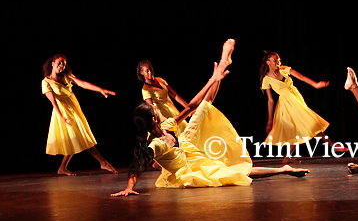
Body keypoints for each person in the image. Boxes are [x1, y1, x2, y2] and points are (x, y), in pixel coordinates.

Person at [112, 40, 309, 196]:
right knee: (236, 171)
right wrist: (129, 186)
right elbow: (137, 165)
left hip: (190, 148)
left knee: (204, 106)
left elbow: (191, 107)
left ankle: (221, 67)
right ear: (154, 120)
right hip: (191, 170)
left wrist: (213, 79)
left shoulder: (167, 124)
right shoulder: (155, 143)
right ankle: (284, 169)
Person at [260, 51, 346, 161]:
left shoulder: (284, 69)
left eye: (279, 60)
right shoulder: (266, 79)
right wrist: (269, 120)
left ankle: (287, 157)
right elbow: (270, 100)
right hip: (286, 104)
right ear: (268, 62)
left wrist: (315, 84)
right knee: (307, 124)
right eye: (275, 60)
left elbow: (301, 77)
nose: (278, 62)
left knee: (301, 127)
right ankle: (332, 145)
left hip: (296, 99)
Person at [42, 54, 117, 176]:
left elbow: (83, 84)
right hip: (63, 113)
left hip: (74, 111)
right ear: (52, 63)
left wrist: (101, 90)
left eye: (64, 64)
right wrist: (61, 117)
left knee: (77, 138)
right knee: (79, 137)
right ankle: (102, 162)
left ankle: (62, 168)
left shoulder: (66, 76)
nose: (61, 66)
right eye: (59, 63)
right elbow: (53, 101)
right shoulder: (46, 82)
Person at [137, 59, 190, 134]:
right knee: (177, 132)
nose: (150, 72)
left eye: (151, 69)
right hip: (162, 115)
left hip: (172, 109)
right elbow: (151, 107)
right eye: (147, 71)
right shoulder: (145, 89)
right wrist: (159, 121)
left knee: (185, 129)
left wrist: (187, 107)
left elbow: (175, 95)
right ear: (141, 72)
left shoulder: (160, 80)